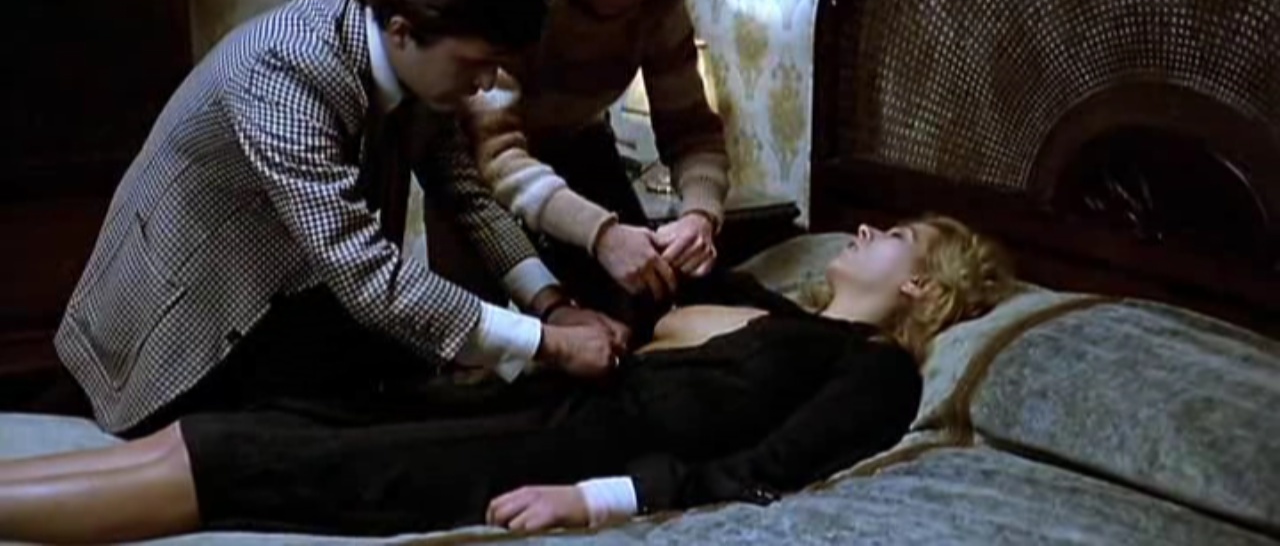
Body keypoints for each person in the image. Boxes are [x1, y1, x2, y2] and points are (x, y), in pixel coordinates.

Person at [0, 215, 1017, 543]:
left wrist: (593, 499)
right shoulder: (781, 312)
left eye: (895, 234)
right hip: (537, 400)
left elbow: (764, 471)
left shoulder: (877, 373)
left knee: (253, 457)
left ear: (921, 285)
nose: (866, 229)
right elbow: (675, 316)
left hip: (563, 447)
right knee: (267, 418)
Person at [52, 0, 628, 441]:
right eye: (477, 63)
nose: (484, 84)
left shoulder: (419, 62)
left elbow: (468, 196)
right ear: (402, 32)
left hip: (294, 294)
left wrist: (553, 307)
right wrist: (547, 344)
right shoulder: (284, 67)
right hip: (181, 327)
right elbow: (367, 273)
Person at [463, 0, 730, 327]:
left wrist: (699, 215)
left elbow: (693, 131)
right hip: (471, 160)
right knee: (483, 330)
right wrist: (600, 234)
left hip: (579, 140)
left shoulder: (657, 0)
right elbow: (497, 155)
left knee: (641, 305)